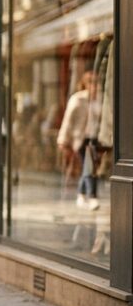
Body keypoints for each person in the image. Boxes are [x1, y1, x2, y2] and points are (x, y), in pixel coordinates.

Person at [58, 71, 102, 210]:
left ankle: (81, 195)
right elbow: (68, 121)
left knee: (88, 167)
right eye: (91, 82)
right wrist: (63, 140)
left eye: (96, 82)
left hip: (95, 138)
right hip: (82, 139)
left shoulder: (100, 100)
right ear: (85, 84)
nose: (94, 85)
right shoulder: (77, 99)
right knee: (90, 166)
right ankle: (92, 196)